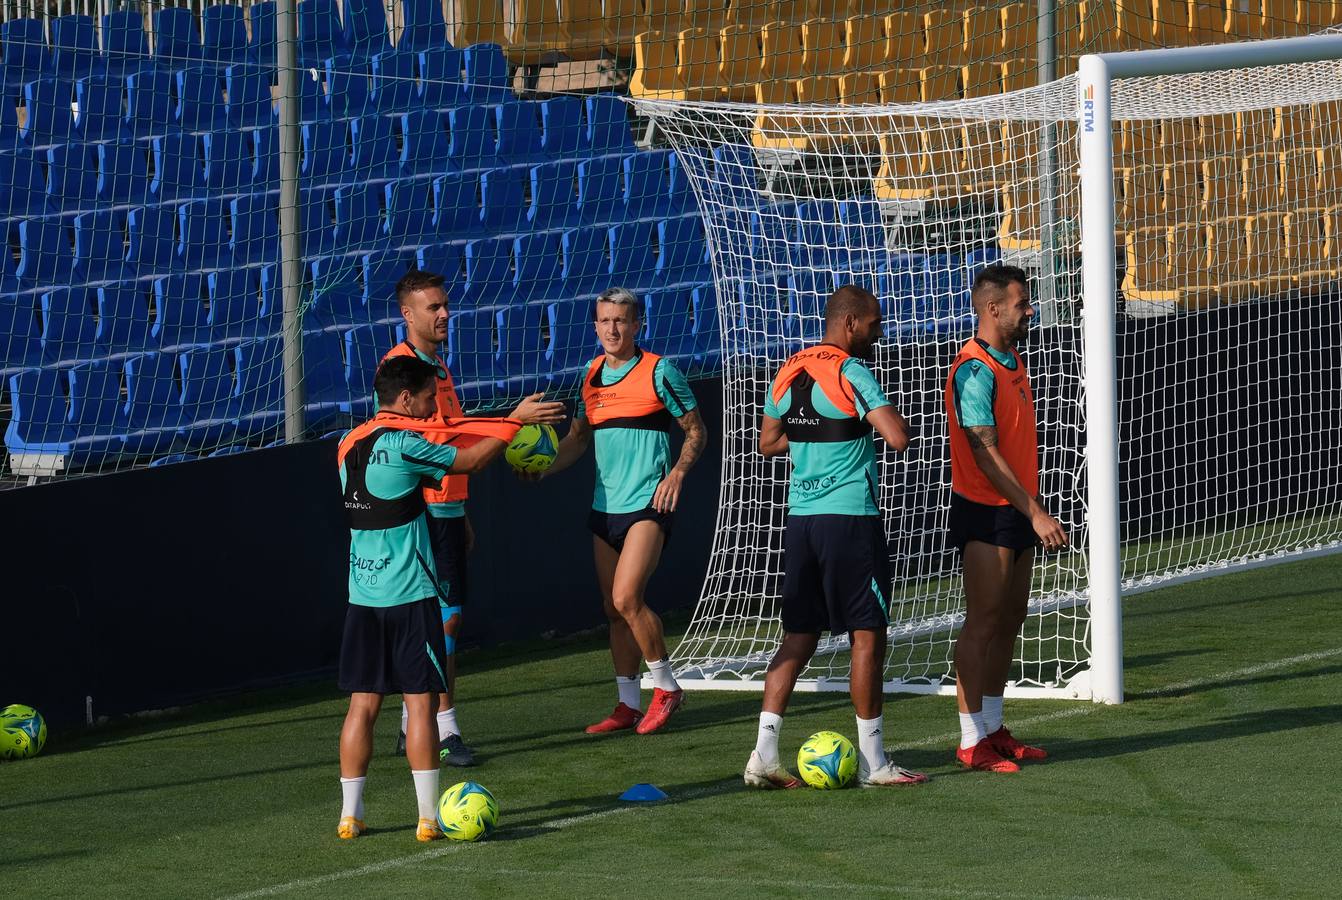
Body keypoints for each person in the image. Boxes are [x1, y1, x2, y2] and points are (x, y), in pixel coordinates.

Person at [335, 356, 531, 841]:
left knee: (362, 705)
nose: (433, 407)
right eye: (427, 398)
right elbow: (470, 462)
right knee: (420, 703)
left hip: (363, 595)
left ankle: (350, 816)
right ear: (405, 399)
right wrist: (514, 424)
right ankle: (427, 818)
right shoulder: (405, 444)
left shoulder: (346, 444)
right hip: (409, 594)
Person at [744, 285, 928, 790]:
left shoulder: (787, 370)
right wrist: (866, 424)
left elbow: (767, 442)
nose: (878, 332)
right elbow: (897, 436)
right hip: (850, 520)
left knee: (797, 639)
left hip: (802, 521)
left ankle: (763, 755)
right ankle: (875, 763)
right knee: (867, 636)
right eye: (874, 323)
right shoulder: (851, 372)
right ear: (849, 323)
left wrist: (816, 435)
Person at [384, 269, 565, 766]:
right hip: (421, 511)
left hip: (446, 507)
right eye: (432, 307)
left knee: (443, 619)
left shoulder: (437, 369)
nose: (444, 314)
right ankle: (442, 731)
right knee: (443, 619)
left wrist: (459, 509)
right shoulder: (401, 371)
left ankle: (411, 726)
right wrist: (511, 423)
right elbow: (436, 438)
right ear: (407, 314)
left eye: (445, 305)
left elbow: (450, 433)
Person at [536, 287, 707, 735]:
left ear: (637, 326)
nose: (613, 329)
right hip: (604, 508)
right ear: (595, 326)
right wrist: (542, 471)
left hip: (649, 504)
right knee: (612, 612)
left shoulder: (660, 371)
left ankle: (667, 688)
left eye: (622, 321)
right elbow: (577, 439)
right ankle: (627, 704)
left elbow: (695, 431)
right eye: (605, 321)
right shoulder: (591, 375)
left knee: (626, 598)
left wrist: (677, 474)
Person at [944, 264, 1069, 774]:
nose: (1030, 309)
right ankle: (971, 739)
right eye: (1022, 302)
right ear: (992, 308)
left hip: (1016, 510)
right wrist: (1035, 511)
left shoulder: (1010, 359)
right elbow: (983, 452)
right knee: (984, 621)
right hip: (987, 511)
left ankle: (994, 727)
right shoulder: (974, 369)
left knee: (1012, 616)